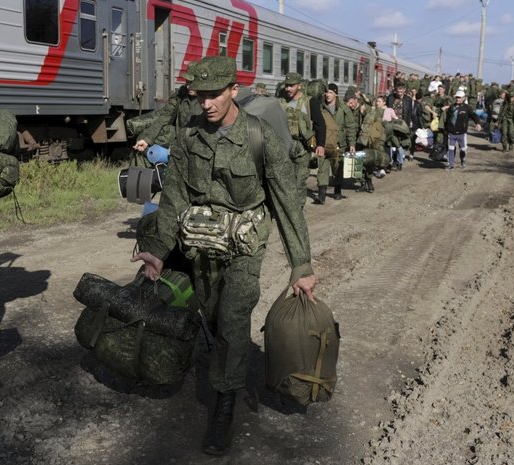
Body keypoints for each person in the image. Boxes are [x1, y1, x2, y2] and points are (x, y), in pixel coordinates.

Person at [130, 56, 317, 456]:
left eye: (215, 95)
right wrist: (159, 251)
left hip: (244, 246)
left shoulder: (260, 137)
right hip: (201, 242)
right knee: (213, 315)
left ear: (234, 90)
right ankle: (225, 361)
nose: (207, 103)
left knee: (232, 318)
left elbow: (287, 203)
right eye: (200, 96)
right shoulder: (188, 137)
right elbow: (175, 196)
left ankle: (223, 408)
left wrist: (301, 265)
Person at [282, 72, 325, 205]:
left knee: (299, 181)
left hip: (302, 148)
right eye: (287, 86)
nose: (288, 89)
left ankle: (298, 209)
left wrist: (321, 145)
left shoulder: (309, 102)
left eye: (292, 86)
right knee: (285, 182)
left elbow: (320, 124)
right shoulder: (282, 101)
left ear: (299, 86)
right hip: (285, 147)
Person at [316, 83, 356, 202]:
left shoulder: (343, 109)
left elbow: (350, 126)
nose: (328, 95)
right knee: (322, 168)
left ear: (336, 94)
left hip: (339, 144)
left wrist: (352, 144)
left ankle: (337, 190)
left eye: (331, 92)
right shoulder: (321, 107)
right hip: (324, 142)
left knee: (337, 169)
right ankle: (321, 194)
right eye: (326, 92)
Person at [440, 90, 482, 170]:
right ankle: (451, 165)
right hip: (451, 133)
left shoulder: (467, 108)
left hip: (462, 133)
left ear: (463, 98)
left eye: (459, 97)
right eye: (456, 97)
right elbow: (447, 118)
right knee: (451, 149)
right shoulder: (451, 107)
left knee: (463, 149)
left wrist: (478, 123)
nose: (457, 99)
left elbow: (474, 116)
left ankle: (463, 160)